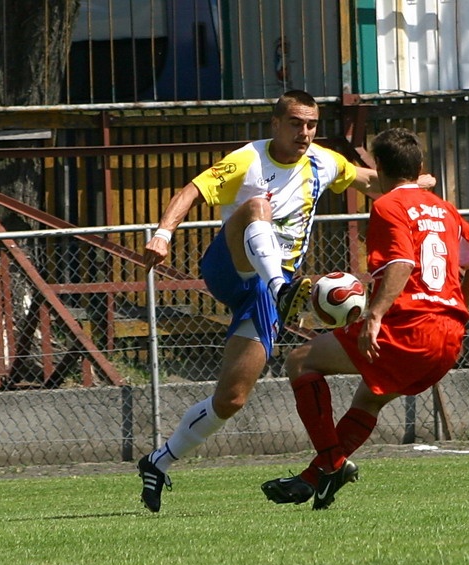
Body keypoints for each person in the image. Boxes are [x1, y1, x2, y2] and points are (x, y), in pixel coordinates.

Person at [137, 90, 433, 512]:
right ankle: (280, 287)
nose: (305, 132)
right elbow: (192, 191)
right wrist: (164, 233)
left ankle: (158, 462)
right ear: (275, 124)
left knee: (231, 398)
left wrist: (410, 186)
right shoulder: (249, 159)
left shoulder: (323, 162)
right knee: (257, 205)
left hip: (265, 293)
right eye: (296, 123)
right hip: (232, 266)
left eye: (311, 124)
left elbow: (370, 182)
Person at [261, 127, 469, 510]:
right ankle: (312, 478)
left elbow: (402, 263)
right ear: (419, 166)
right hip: (449, 338)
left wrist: (374, 316)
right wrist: (457, 306)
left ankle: (333, 464)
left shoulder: (388, 206)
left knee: (300, 361)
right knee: (369, 399)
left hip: (407, 329)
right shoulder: (444, 209)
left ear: (378, 169)